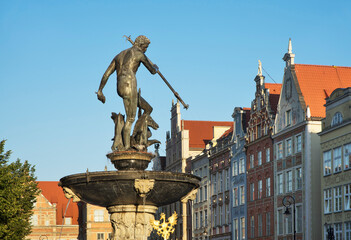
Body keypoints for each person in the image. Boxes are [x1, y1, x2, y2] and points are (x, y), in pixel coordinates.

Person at [96, 35, 158, 150]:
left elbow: (106, 74)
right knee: (130, 118)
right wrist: (155, 67)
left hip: (119, 85)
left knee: (148, 109)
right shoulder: (139, 54)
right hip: (130, 84)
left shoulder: (119, 55)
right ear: (141, 45)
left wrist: (100, 90)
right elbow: (152, 71)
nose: (145, 50)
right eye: (145, 47)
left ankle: (137, 136)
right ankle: (127, 147)